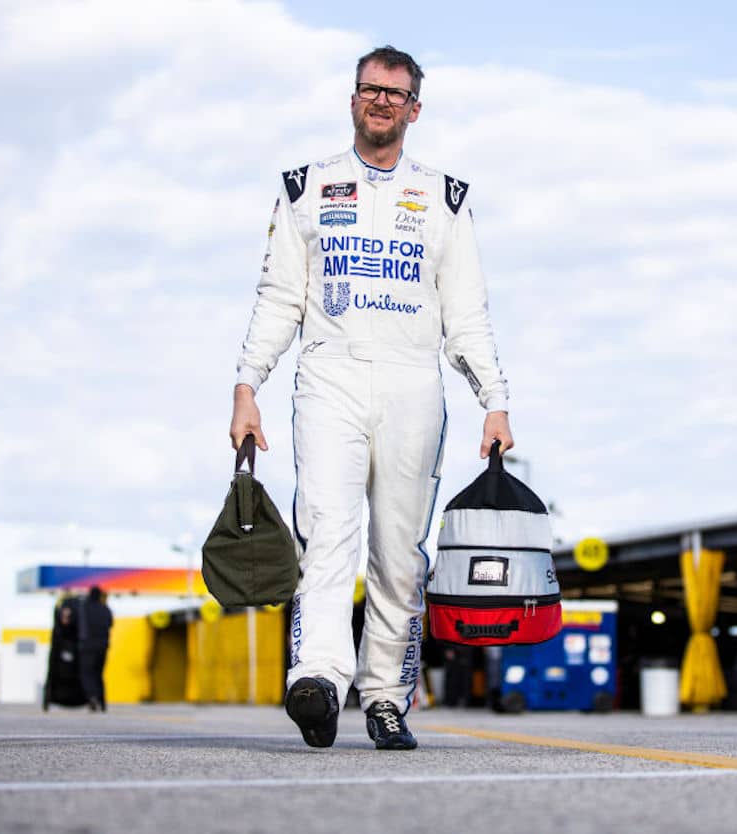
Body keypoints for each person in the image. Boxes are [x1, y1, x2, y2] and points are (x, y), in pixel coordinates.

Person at [230, 45, 513, 750]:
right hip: (328, 376)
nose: (380, 101)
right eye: (369, 90)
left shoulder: (446, 198)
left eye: (394, 93)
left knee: (398, 554)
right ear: (352, 100)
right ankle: (320, 681)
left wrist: (494, 400)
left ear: (414, 108)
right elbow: (276, 299)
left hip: (414, 382)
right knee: (325, 535)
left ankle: (385, 696)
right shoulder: (305, 187)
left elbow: (467, 312)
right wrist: (247, 385)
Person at [78, 585, 113, 712]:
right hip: (102, 646)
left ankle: (92, 697)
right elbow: (110, 623)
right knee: (99, 674)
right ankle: (102, 702)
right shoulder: (105, 608)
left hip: (87, 646)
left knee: (87, 673)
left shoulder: (84, 608)